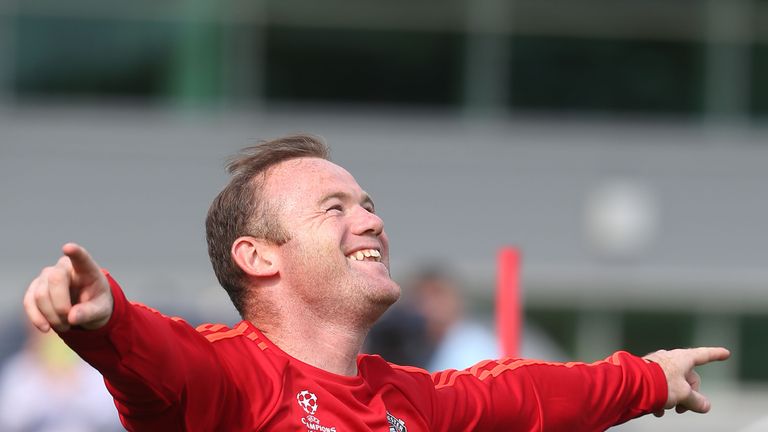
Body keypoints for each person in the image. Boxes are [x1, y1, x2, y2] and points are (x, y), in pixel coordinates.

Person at [23, 134, 730, 431]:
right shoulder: (227, 380)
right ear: (258, 257)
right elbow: (156, 353)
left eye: (368, 204)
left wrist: (649, 379)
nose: (371, 221)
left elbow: (534, 396)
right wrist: (103, 315)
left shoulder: (412, 399)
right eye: (335, 208)